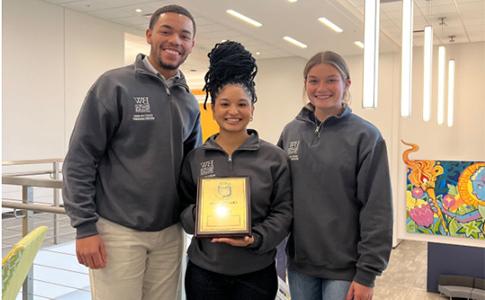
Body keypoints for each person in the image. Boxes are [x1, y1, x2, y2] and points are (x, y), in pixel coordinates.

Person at [62, 5, 201, 300]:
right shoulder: (114, 85)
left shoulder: (188, 100)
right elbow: (80, 158)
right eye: (166, 31)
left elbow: (194, 167)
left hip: (170, 232)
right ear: (149, 35)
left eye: (184, 36)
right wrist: (85, 227)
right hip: (117, 230)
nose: (175, 40)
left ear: (192, 45)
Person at [179, 41, 293, 300]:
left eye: (242, 104)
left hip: (256, 272)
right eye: (224, 104)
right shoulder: (196, 158)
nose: (233, 111)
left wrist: (256, 238)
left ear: (252, 108)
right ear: (212, 107)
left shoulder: (274, 158)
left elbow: (284, 212)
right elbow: (183, 207)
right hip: (204, 272)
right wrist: (202, 217)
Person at [278, 51, 393, 300]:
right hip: (300, 264)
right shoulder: (291, 132)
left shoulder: (366, 136)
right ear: (305, 84)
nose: (322, 88)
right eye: (313, 80)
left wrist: (367, 274)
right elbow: (276, 193)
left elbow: (377, 208)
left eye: (331, 80)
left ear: (347, 83)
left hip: (345, 269)